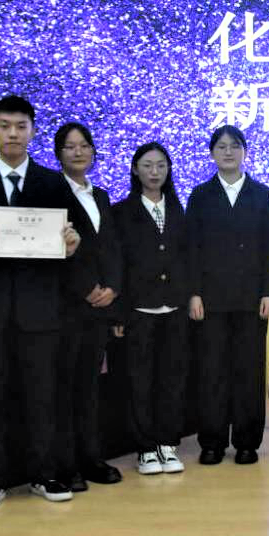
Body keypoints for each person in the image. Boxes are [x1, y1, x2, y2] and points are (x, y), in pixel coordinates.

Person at [0, 95, 81, 511]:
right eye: (5, 126)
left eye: (21, 126)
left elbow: (73, 243)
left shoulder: (53, 182)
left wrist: (71, 245)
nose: (13, 134)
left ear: (33, 131)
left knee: (42, 396)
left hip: (40, 311)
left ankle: (44, 473)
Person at [186, 125, 269, 466]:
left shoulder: (261, 194)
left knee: (248, 372)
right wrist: (193, 293)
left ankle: (246, 441)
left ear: (244, 152)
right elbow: (191, 249)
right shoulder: (200, 195)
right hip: (210, 299)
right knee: (211, 371)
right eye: (221, 146)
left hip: (251, 298)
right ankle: (211, 441)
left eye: (234, 146)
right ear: (212, 153)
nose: (228, 152)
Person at [52, 122, 123, 490]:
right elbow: (52, 250)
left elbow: (111, 248)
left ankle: (91, 457)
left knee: (90, 387)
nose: (78, 152)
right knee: (64, 388)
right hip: (67, 307)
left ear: (93, 151)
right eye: (70, 147)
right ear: (58, 154)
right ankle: (67, 465)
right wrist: (87, 288)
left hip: (100, 309)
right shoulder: (51, 193)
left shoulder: (102, 196)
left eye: (84, 146)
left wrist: (113, 288)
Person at [114, 142, 192, 476]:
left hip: (174, 307)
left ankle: (168, 443)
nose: (154, 171)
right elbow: (117, 264)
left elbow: (187, 257)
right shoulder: (121, 211)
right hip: (138, 309)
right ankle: (145, 448)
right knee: (140, 380)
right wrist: (118, 312)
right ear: (135, 170)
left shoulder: (177, 208)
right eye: (147, 165)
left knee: (172, 379)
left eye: (161, 165)